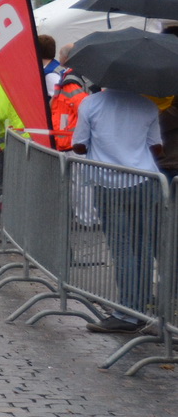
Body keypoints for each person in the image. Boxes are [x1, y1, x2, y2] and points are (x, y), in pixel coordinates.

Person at [72, 87, 165, 333]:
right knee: (142, 246)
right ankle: (140, 309)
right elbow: (156, 148)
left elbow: (79, 145)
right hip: (144, 180)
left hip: (108, 182)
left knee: (122, 248)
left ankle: (126, 312)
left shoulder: (91, 103)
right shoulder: (147, 104)